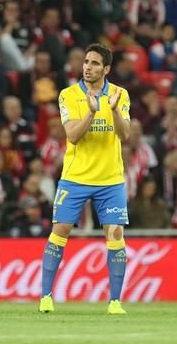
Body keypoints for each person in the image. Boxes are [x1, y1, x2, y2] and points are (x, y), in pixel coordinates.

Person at [39, 43, 131, 315]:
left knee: (115, 234)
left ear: (106, 69)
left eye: (94, 63)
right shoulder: (68, 95)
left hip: (110, 179)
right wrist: (91, 111)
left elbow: (125, 134)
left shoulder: (120, 94)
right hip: (75, 177)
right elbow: (73, 136)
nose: (87, 67)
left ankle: (115, 302)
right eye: (86, 62)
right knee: (61, 231)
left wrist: (113, 110)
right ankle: (46, 296)